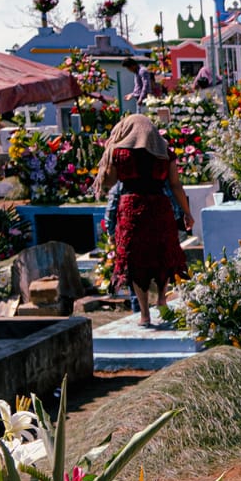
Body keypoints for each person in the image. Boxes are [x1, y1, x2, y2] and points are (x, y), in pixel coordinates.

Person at [94, 115, 191, 326]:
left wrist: (110, 154)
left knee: (134, 259)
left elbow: (109, 182)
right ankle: (163, 299)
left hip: (131, 209)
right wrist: (186, 212)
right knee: (163, 254)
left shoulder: (120, 152)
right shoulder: (164, 152)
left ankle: (144, 314)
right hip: (159, 208)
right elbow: (175, 185)